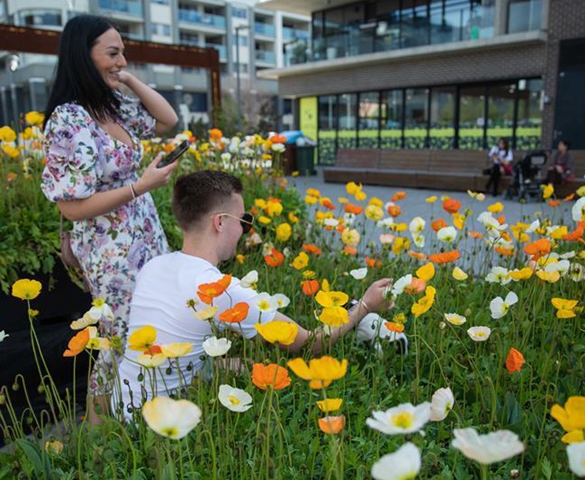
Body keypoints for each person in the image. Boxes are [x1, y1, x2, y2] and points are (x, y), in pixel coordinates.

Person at [116, 170, 392, 417]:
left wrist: (220, 366)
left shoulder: (153, 266)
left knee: (240, 366)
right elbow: (310, 345)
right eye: (244, 221)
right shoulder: (220, 290)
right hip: (160, 424)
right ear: (220, 222)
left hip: (122, 410)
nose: (245, 231)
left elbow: (172, 346)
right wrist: (366, 305)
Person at [40, 15, 179, 421]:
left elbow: (167, 120)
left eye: (123, 53)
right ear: (83, 57)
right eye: (113, 53)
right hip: (108, 247)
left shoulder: (110, 106)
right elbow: (71, 206)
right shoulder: (69, 119)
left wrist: (126, 78)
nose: (122, 61)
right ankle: (100, 432)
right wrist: (140, 186)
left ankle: (145, 410)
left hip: (145, 233)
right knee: (119, 334)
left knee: (152, 321)